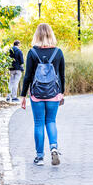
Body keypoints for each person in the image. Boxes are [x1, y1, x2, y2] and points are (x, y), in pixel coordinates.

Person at [20, 23, 65, 166]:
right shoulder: (58, 52)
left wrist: (23, 96)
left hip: (36, 94)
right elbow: (62, 75)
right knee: (51, 121)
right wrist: (62, 93)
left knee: (38, 123)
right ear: (51, 34)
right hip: (53, 92)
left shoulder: (32, 53)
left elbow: (27, 76)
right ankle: (54, 147)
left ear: (37, 35)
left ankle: (39, 157)